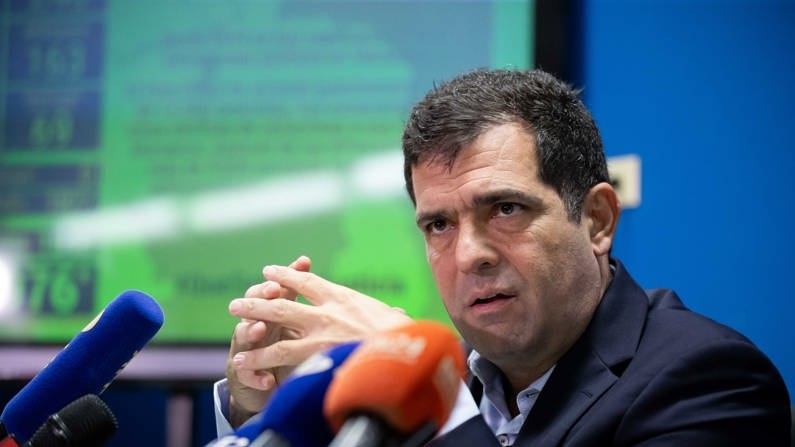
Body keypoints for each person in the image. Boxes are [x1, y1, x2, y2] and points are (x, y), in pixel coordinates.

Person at [213, 68, 791, 445]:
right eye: (439, 224)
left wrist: (428, 394)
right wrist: (261, 414)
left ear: (597, 220)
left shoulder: (711, 382)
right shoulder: (434, 389)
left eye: (506, 209)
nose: (469, 255)